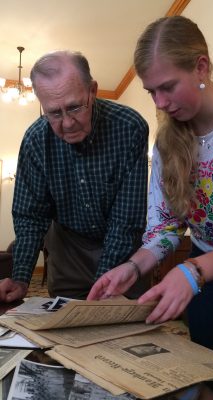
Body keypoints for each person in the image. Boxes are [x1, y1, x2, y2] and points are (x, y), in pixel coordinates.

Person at [87, 16, 213, 400]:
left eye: (168, 87)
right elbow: (164, 228)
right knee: (207, 377)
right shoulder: (167, 142)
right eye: (151, 91)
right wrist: (132, 267)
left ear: (201, 67)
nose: (160, 103)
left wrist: (193, 271)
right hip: (204, 278)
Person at [0, 50, 149, 302]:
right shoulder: (36, 140)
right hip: (68, 250)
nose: (67, 123)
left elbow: (126, 221)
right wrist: (21, 277)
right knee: (65, 329)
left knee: (123, 323)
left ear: (92, 90)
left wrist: (104, 282)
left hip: (124, 249)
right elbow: (30, 216)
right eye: (54, 113)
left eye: (74, 107)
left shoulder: (129, 128)